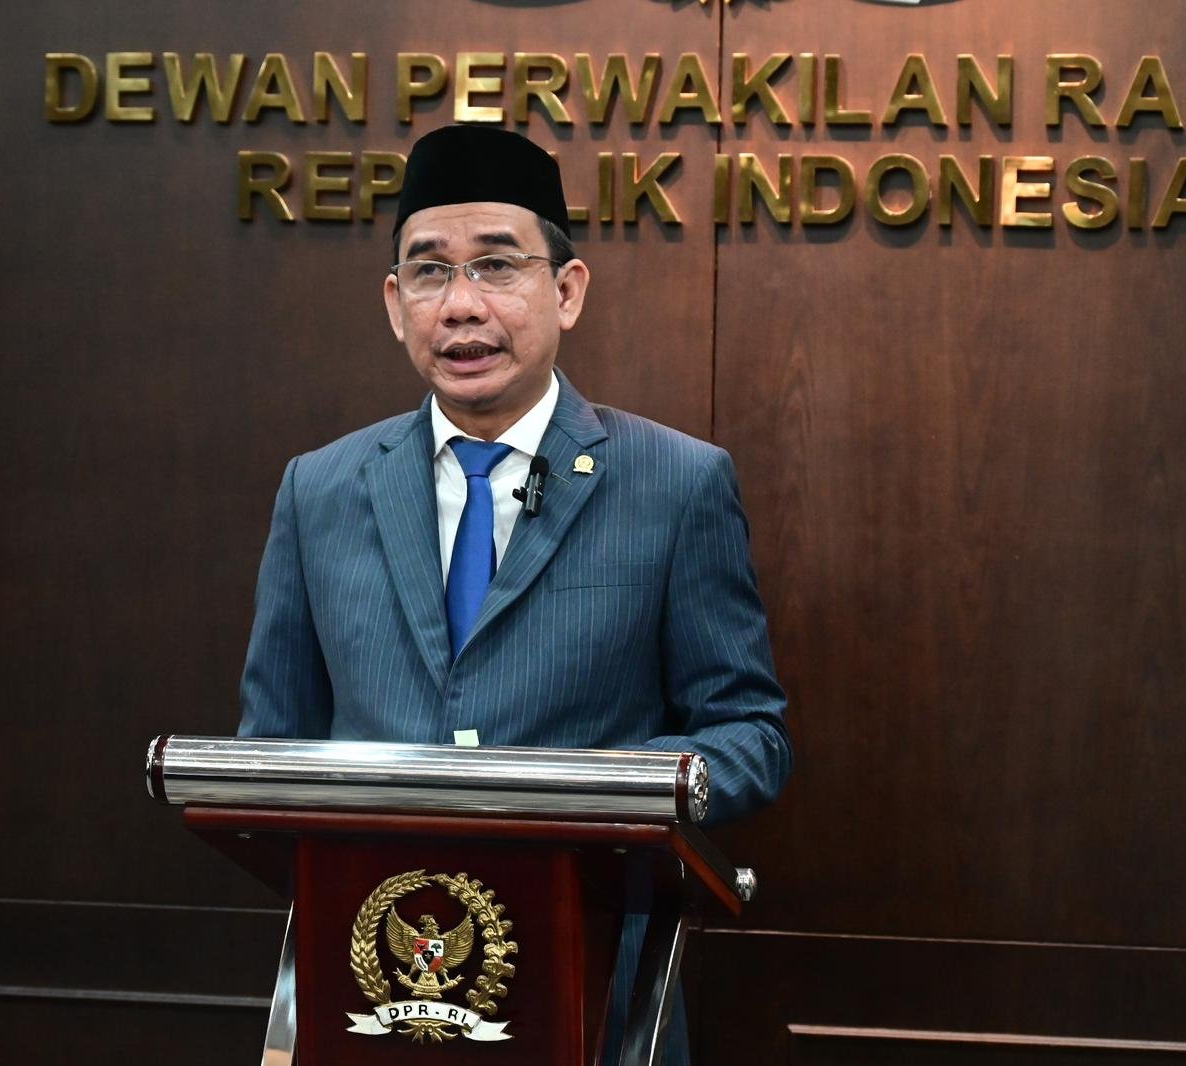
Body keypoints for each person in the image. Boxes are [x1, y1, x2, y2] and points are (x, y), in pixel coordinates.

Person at [237, 123, 791, 1064]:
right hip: (375, 991)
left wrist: (611, 796)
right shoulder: (319, 490)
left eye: (496, 266)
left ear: (566, 291)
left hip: (592, 992)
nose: (462, 306)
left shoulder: (676, 483)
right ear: (394, 303)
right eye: (429, 272)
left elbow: (750, 734)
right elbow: (270, 752)